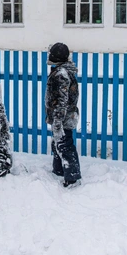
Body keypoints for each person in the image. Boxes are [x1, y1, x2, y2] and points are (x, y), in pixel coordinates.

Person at [45, 42, 82, 188]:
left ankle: (72, 177)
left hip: (64, 117)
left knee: (64, 145)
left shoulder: (61, 75)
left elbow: (62, 101)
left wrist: (58, 121)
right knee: (58, 143)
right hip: (63, 116)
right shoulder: (61, 71)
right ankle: (59, 170)